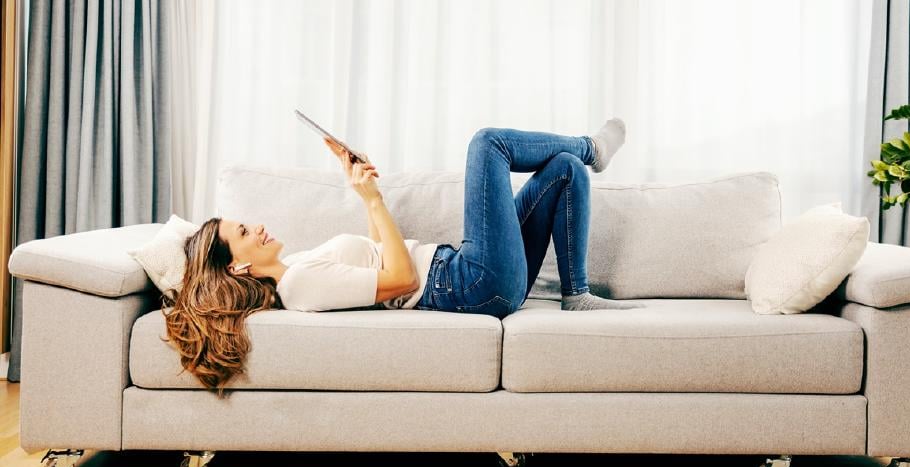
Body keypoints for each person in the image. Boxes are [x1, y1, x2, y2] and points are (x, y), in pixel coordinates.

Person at [163, 119, 643, 395]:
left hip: (471, 273)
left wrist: (363, 188)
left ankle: (575, 293)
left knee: (562, 170)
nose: (258, 226)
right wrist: (372, 201)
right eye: (245, 231)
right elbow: (398, 279)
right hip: (469, 282)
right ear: (238, 266)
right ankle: (592, 148)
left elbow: (377, 256)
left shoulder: (300, 269)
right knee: (487, 144)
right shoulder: (299, 286)